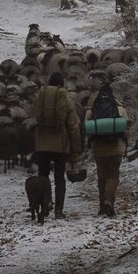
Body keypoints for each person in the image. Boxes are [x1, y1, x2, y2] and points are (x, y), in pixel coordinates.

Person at [33, 73, 81, 219]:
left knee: (43, 176)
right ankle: (59, 211)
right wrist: (75, 149)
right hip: (60, 145)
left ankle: (45, 204)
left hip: (42, 144)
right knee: (60, 178)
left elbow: (33, 115)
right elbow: (73, 126)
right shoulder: (67, 100)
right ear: (61, 84)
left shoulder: (40, 97)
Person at [85, 84, 129, 218]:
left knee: (101, 177)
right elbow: (126, 129)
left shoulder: (92, 110)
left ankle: (102, 207)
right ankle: (109, 202)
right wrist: (126, 144)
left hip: (99, 150)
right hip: (116, 148)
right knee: (113, 176)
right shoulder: (120, 109)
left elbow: (86, 129)